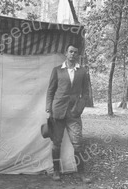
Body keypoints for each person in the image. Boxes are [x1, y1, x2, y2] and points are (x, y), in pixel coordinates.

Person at [46, 44, 91, 182]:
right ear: (66, 53)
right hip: (57, 111)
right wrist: (48, 109)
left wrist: (79, 108)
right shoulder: (57, 70)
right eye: (70, 51)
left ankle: (81, 173)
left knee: (78, 143)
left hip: (74, 113)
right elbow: (50, 91)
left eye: (75, 52)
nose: (73, 54)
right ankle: (56, 171)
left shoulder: (83, 71)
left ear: (78, 55)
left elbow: (85, 93)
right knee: (56, 142)